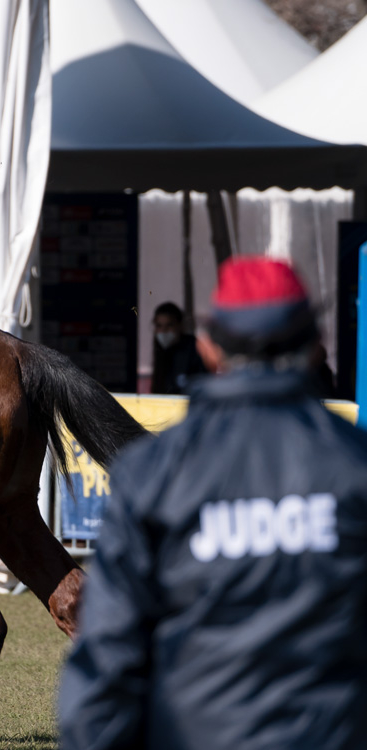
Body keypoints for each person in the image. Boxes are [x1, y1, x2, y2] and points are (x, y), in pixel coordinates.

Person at [58, 256, 367, 750]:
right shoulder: (355, 464)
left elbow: (109, 654)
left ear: (206, 349)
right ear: (315, 348)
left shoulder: (154, 472)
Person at [149, 301, 207, 394]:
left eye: (169, 325)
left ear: (179, 325)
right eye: (159, 326)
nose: (163, 331)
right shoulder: (160, 351)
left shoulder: (195, 348)